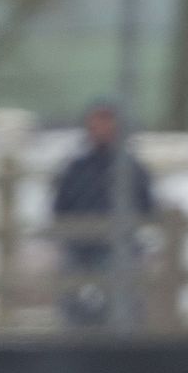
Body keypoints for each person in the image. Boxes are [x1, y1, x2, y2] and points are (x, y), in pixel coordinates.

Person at [50, 99, 155, 326]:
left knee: (120, 290)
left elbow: (148, 209)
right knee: (72, 290)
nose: (103, 127)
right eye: (97, 121)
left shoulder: (132, 168)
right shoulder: (75, 169)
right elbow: (59, 209)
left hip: (119, 248)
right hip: (80, 248)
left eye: (109, 120)